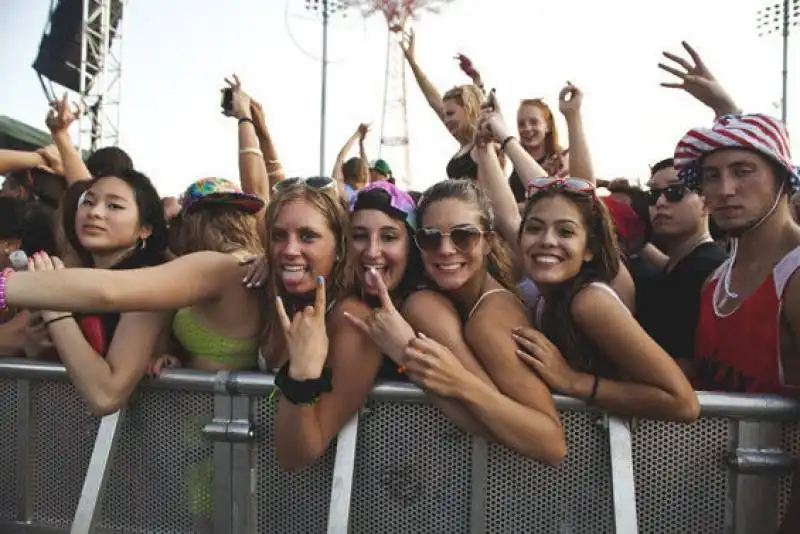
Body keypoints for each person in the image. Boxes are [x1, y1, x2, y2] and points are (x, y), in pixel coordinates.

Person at [512, 177, 699, 420]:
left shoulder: (589, 302)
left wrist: (573, 381)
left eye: (566, 232)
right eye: (534, 228)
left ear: (589, 249)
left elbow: (683, 403)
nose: (547, 241)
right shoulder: (547, 299)